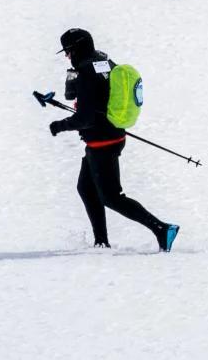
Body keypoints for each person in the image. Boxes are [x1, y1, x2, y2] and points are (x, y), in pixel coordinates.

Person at [48, 29, 179, 252]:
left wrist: (59, 125)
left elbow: (85, 118)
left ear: (77, 48)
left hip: (102, 142)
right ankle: (101, 242)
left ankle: (162, 229)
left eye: (68, 51)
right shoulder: (104, 61)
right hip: (111, 135)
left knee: (112, 197)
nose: (67, 56)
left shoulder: (86, 72)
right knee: (86, 188)